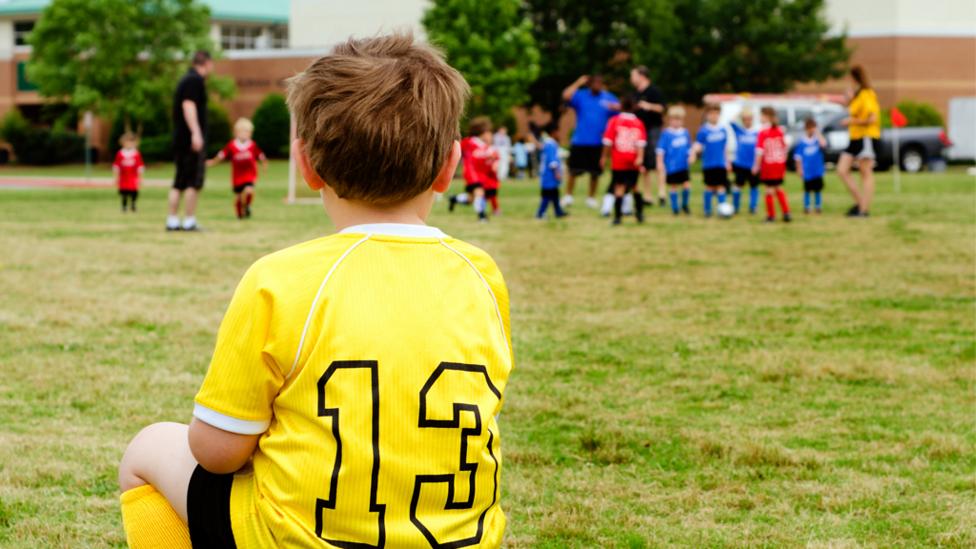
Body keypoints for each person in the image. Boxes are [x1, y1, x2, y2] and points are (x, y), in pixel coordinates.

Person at [118, 33, 513, 549]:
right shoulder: (481, 274)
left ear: (305, 165)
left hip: (300, 537)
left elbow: (217, 452)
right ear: (449, 167)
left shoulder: (282, 280)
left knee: (147, 449)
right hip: (460, 539)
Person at [167, 50, 213, 232]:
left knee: (179, 181)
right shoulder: (194, 81)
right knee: (193, 181)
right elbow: (188, 105)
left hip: (181, 140)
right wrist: (196, 133)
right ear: (207, 63)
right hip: (189, 141)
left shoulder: (186, 79)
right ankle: (189, 220)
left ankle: (172, 220)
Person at [561, 74, 619, 209]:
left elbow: (621, 109)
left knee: (595, 173)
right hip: (580, 140)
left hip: (598, 142)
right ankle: (568, 196)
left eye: (600, 83)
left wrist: (616, 108)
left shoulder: (608, 98)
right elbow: (566, 96)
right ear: (590, 84)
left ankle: (591, 198)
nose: (598, 85)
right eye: (595, 83)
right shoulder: (581, 95)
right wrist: (578, 82)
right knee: (573, 171)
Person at [837, 65, 880, 217]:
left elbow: (872, 118)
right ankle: (861, 203)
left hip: (866, 137)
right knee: (842, 170)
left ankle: (863, 210)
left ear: (855, 78)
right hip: (855, 138)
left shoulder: (867, 94)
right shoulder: (858, 95)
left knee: (865, 172)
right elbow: (855, 110)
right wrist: (848, 101)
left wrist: (852, 121)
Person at [207, 118, 268, 219]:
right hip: (237, 176)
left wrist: (264, 164)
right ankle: (240, 214)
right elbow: (222, 155)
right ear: (236, 132)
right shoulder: (232, 145)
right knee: (239, 197)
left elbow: (261, 155)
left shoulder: (252, 145)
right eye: (242, 131)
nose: (244, 134)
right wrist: (213, 162)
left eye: (247, 132)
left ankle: (247, 205)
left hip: (249, 174)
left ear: (250, 133)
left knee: (249, 191)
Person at [602, 96, 647, 225]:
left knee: (619, 188)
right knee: (634, 187)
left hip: (619, 161)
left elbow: (608, 142)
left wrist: (604, 157)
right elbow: (641, 144)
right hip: (633, 161)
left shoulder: (614, 121)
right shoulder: (639, 123)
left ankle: (617, 217)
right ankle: (639, 213)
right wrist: (640, 158)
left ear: (621, 106)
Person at [630, 65, 666, 206]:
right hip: (640, 132)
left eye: (633, 76)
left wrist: (648, 106)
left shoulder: (654, 91)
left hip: (653, 130)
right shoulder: (635, 94)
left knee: (658, 162)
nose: (631, 79)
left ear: (641, 76)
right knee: (644, 165)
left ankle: (662, 193)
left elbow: (662, 108)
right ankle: (647, 196)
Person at [691, 103, 731, 217]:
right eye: (711, 113)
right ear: (707, 115)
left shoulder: (723, 130)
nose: (714, 116)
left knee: (721, 187)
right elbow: (698, 145)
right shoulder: (703, 130)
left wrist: (727, 161)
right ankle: (707, 211)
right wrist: (693, 154)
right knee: (709, 186)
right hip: (708, 164)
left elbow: (725, 148)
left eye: (716, 114)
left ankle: (722, 209)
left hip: (720, 163)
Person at [753, 106, 792, 223]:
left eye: (761, 115)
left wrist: (756, 165)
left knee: (769, 190)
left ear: (766, 117)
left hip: (769, 165)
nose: (759, 117)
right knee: (778, 187)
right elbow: (785, 148)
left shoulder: (762, 132)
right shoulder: (779, 130)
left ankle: (771, 216)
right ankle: (786, 213)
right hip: (779, 164)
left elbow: (760, 151)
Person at [447, 116, 489, 216]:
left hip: (479, 174)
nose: (488, 134)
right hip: (472, 173)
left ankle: (454, 199)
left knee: (471, 199)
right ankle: (482, 216)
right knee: (479, 193)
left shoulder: (482, 144)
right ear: (481, 131)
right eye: (487, 131)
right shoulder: (469, 141)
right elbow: (456, 149)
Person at [657, 106, 693, 216]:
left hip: (683, 165)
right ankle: (675, 207)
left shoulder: (685, 133)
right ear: (670, 119)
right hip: (671, 166)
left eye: (679, 119)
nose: (676, 122)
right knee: (673, 186)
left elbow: (689, 148)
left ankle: (685, 205)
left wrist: (691, 156)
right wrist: (660, 163)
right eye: (674, 119)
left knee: (686, 185)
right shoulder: (666, 134)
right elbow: (660, 150)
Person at [795, 118, 827, 214]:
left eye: (813, 128)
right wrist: (799, 169)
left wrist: (817, 133)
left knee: (818, 189)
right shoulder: (802, 142)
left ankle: (818, 206)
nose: (811, 130)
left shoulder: (817, 140)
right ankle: (807, 206)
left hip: (817, 170)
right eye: (809, 128)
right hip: (807, 170)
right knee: (807, 190)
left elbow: (824, 144)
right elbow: (798, 157)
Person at [731, 109, 760, 214]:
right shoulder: (739, 131)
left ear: (752, 120)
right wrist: (740, 112)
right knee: (737, 186)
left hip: (753, 165)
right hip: (740, 164)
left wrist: (757, 164)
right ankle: (735, 207)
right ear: (742, 120)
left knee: (754, 186)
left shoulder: (757, 133)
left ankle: (753, 207)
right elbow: (731, 121)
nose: (747, 121)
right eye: (745, 119)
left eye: (749, 119)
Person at [537, 125, 567, 219]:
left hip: (549, 174)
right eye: (558, 132)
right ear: (553, 133)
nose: (559, 134)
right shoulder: (550, 144)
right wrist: (557, 172)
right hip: (549, 175)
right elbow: (552, 161)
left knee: (555, 193)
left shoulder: (548, 143)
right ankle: (541, 213)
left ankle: (558, 211)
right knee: (547, 194)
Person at [113, 133, 144, 213]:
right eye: (127, 142)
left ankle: (133, 205)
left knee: (134, 192)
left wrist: (140, 178)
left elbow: (140, 167)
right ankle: (124, 206)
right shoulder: (120, 154)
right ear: (122, 143)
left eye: (131, 142)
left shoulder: (136, 154)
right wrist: (116, 178)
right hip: (124, 178)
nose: (129, 144)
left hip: (133, 177)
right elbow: (116, 167)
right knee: (124, 193)